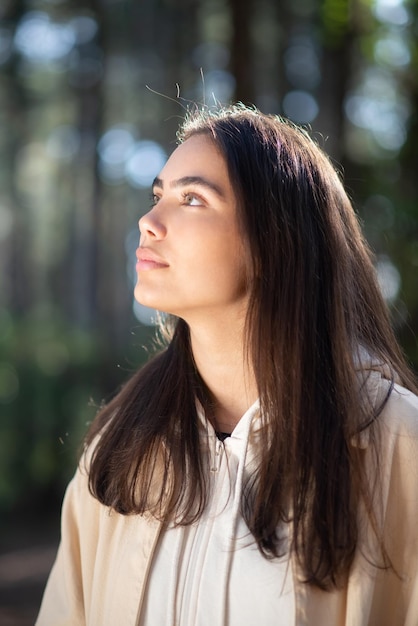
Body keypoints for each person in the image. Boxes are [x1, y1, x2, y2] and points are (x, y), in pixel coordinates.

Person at [36, 104, 418, 626]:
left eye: (192, 199)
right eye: (157, 196)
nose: (148, 223)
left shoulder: (400, 450)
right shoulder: (119, 451)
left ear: (274, 240)